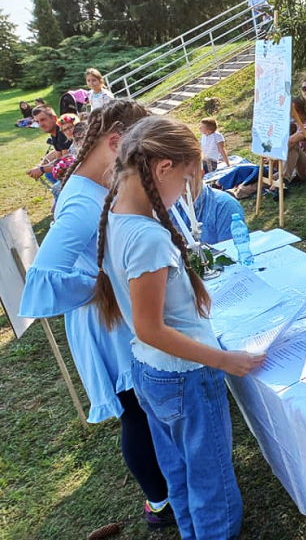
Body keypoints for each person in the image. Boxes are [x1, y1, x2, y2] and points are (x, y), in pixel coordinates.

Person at [93, 115, 266, 539]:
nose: (189, 192)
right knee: (211, 480)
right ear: (162, 169)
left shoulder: (118, 210)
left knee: (180, 470)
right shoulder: (148, 236)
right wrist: (225, 360)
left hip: (150, 369)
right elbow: (150, 326)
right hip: (185, 375)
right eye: (188, 178)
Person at [19, 100, 176, 530]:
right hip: (106, 323)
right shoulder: (82, 202)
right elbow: (41, 281)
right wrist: (102, 284)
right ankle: (160, 502)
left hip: (118, 314)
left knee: (145, 407)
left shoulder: (94, 183)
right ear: (114, 142)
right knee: (136, 412)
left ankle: (167, 490)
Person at [172, 170, 245, 244]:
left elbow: (230, 252)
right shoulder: (169, 207)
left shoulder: (224, 206)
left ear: (200, 174)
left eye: (186, 178)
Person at [26, 106, 72, 181]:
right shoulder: (55, 133)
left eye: (43, 120)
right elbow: (58, 157)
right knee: (50, 174)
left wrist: (42, 169)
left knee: (50, 175)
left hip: (80, 170)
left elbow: (65, 164)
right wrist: (41, 165)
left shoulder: (63, 132)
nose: (40, 124)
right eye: (37, 122)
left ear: (54, 118)